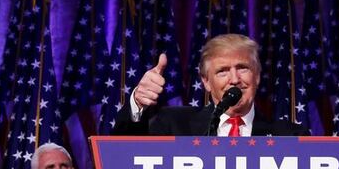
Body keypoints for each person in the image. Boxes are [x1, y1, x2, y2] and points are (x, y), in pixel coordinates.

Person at [113, 33, 307, 137]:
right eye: (222, 71)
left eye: (243, 68)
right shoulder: (173, 126)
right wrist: (137, 102)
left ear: (257, 76)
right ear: (206, 81)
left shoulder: (290, 136)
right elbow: (124, 152)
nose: (234, 79)